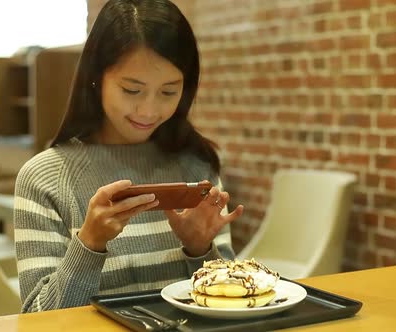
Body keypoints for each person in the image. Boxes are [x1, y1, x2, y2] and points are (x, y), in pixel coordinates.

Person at [13, 0, 243, 313]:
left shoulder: (198, 165)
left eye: (168, 91)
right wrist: (89, 245)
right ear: (96, 80)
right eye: (132, 90)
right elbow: (38, 321)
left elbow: (234, 304)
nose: (149, 110)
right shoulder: (45, 178)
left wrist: (199, 249)